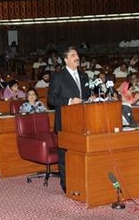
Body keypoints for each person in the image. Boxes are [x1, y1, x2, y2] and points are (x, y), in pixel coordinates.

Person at [48, 46, 90, 193]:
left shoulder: (84, 76)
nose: (76, 57)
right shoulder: (58, 77)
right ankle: (66, 184)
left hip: (82, 121)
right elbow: (51, 99)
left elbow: (86, 97)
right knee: (65, 154)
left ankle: (81, 180)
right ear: (66, 59)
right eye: (73, 55)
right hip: (65, 121)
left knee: (80, 152)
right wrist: (71, 101)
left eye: (77, 54)